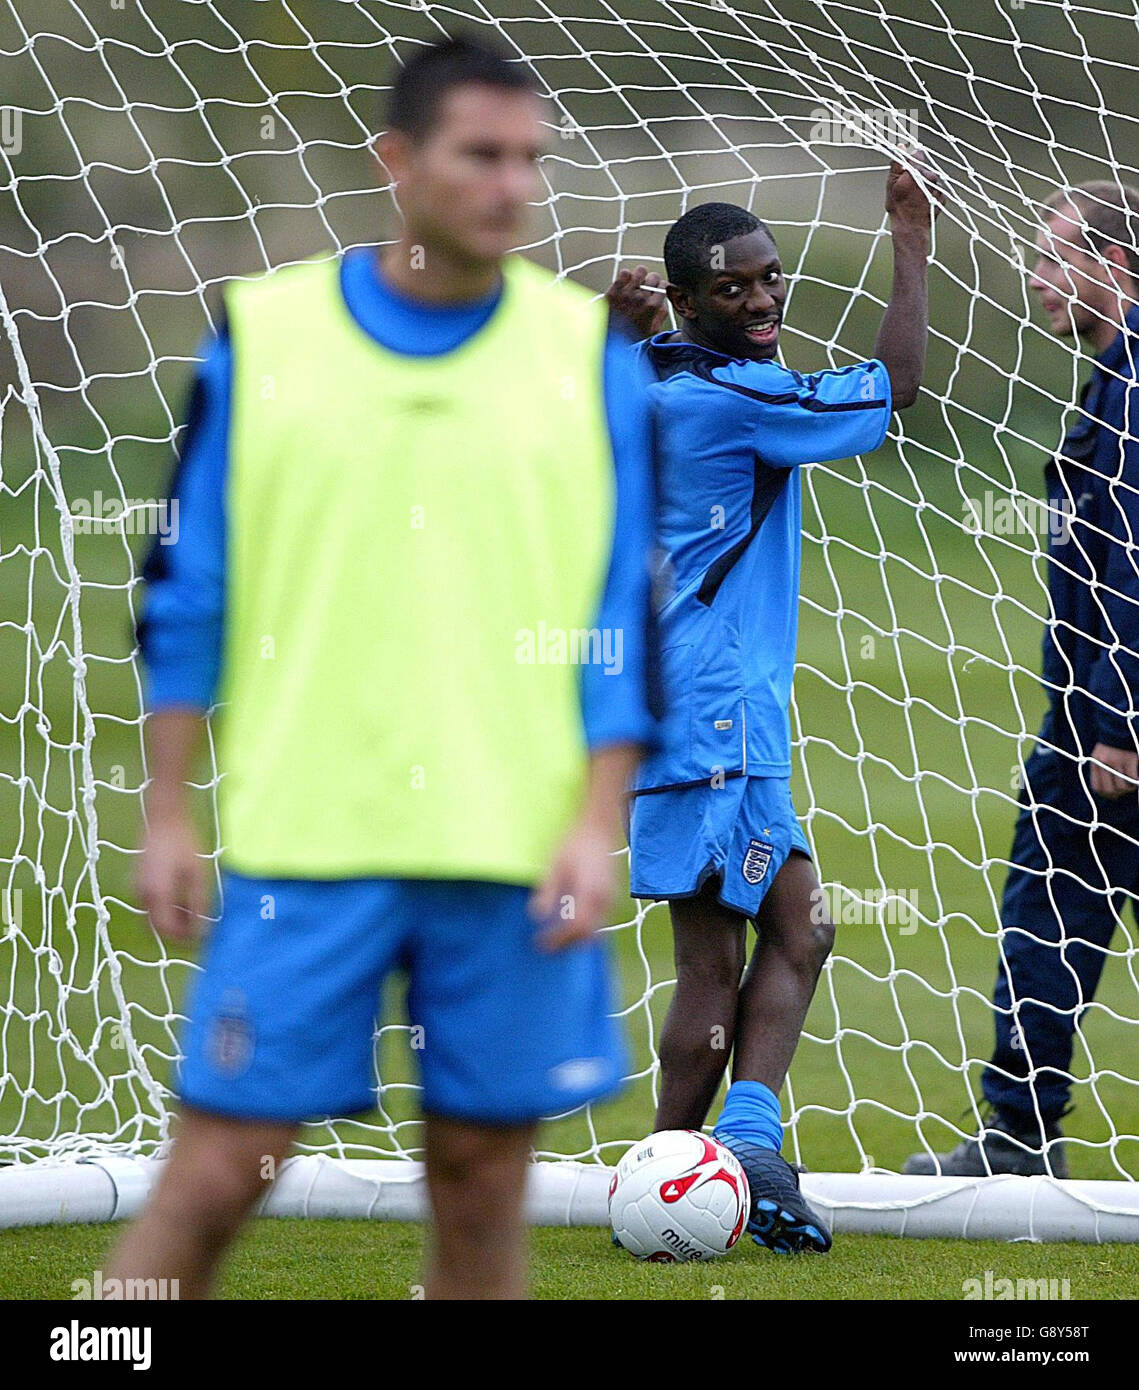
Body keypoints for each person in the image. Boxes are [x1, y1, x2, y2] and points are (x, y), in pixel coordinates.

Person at [108, 34, 660, 1300]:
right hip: (309, 843)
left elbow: (621, 617)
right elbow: (186, 592)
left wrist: (593, 820)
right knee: (215, 1176)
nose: (512, 184)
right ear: (398, 163)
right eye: (481, 154)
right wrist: (168, 809)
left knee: (479, 1188)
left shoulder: (591, 360)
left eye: (531, 158)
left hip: (511, 851)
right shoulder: (264, 336)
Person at [607, 160, 939, 1251]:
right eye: (734, 289)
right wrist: (909, 244)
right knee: (752, 943)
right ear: (690, 301)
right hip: (707, 713)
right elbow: (895, 392)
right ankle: (695, 1175)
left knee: (778, 931)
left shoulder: (652, 378)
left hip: (691, 707)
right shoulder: (723, 397)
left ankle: (707, 1163)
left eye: (770, 280)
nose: (761, 302)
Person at [905, 181, 1139, 1179]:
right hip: (1092, 713)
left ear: (1112, 263)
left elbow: (1130, 557)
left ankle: (1015, 1133)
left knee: (1048, 909)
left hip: (1105, 724)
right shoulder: (1111, 376)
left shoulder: (1130, 385)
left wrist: (1116, 718)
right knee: (1048, 909)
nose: (1035, 281)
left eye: (1053, 259)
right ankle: (1016, 1128)